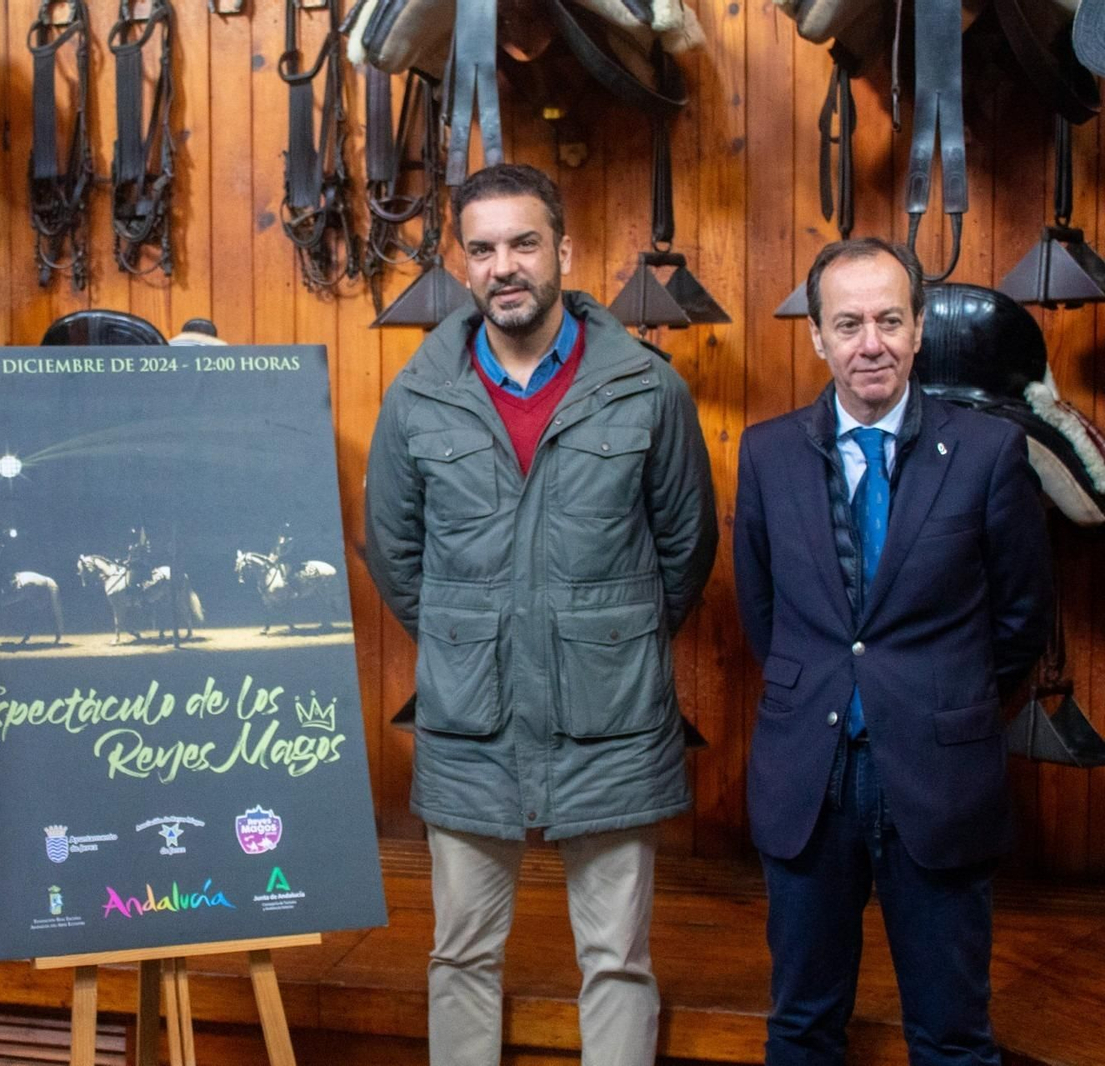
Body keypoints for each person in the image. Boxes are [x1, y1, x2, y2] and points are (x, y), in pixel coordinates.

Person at [364, 162, 718, 1066]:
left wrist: (605, 643)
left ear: (563, 250)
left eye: (523, 243)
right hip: (469, 724)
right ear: (463, 264)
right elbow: (398, 559)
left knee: (617, 961)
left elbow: (684, 552)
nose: (503, 266)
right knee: (462, 955)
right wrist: (475, 640)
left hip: (611, 725)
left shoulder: (648, 389)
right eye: (481, 249)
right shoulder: (416, 397)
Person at [734, 238, 1052, 1066]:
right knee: (801, 1027)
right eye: (847, 324)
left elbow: (1021, 618)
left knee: (951, 1037)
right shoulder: (766, 453)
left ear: (917, 330)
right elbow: (764, 615)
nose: (868, 342)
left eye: (887, 320)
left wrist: (942, 699)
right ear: (817, 337)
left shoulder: (987, 452)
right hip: (810, 775)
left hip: (938, 779)